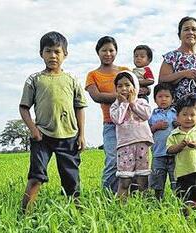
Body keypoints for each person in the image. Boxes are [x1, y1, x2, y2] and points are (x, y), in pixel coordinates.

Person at [19, 31, 87, 213]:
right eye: (48, 51)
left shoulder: (71, 80)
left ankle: (79, 215)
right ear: (41, 53)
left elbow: (79, 107)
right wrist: (33, 129)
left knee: (71, 180)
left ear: (65, 54)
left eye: (57, 51)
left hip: (69, 136)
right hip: (42, 136)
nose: (53, 56)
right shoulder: (34, 79)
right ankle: (23, 215)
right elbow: (24, 107)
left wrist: (81, 134)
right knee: (36, 177)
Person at [85, 36, 129, 194]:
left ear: (116, 51)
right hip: (110, 123)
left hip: (129, 123)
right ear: (98, 52)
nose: (108, 53)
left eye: (111, 50)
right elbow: (97, 97)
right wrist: (121, 96)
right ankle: (107, 196)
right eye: (104, 50)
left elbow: (136, 92)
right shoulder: (93, 75)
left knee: (129, 161)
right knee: (112, 160)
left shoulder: (125, 71)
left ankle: (126, 195)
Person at [109, 71, 153, 199]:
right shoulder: (115, 106)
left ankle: (144, 207)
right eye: (119, 86)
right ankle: (120, 207)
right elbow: (117, 119)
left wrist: (132, 103)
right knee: (125, 179)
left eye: (127, 85)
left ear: (135, 87)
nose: (124, 89)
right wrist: (124, 103)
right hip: (125, 146)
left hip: (142, 143)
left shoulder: (141, 102)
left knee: (142, 178)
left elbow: (146, 115)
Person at [159, 16, 196, 101]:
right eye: (186, 29)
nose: (190, 32)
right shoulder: (171, 56)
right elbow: (162, 80)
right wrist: (183, 74)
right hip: (180, 108)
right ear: (179, 35)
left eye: (194, 29)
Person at [148, 83, 177, 200]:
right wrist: (155, 127)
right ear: (155, 99)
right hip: (158, 154)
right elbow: (146, 133)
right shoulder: (152, 116)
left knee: (176, 180)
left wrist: (178, 124)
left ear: (172, 99)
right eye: (160, 96)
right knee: (157, 181)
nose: (163, 99)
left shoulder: (177, 114)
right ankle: (158, 201)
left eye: (167, 96)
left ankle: (178, 201)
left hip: (175, 154)